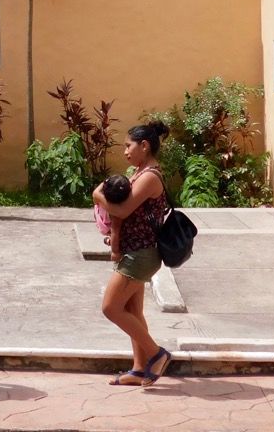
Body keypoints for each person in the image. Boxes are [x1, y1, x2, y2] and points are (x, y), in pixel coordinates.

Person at [92, 122, 173, 387]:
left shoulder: (150, 176)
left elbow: (123, 209)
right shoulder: (139, 172)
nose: (125, 151)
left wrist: (97, 195)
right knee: (133, 312)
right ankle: (140, 369)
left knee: (111, 307)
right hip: (134, 251)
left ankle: (156, 353)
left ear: (144, 146)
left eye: (129, 146)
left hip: (140, 255)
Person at [93, 173, 131, 244]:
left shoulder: (100, 199)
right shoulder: (115, 212)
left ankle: (109, 238)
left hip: (101, 223)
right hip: (108, 227)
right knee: (116, 230)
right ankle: (110, 239)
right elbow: (115, 232)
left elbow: (95, 193)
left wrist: (106, 181)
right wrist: (115, 252)